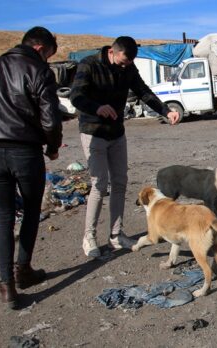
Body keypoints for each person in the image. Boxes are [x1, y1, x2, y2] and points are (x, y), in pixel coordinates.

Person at [0, 26, 62, 309]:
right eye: (50, 55)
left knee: (4, 217)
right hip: (25, 151)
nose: (49, 61)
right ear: (41, 48)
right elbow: (51, 120)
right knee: (30, 212)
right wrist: (52, 147)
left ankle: (7, 286)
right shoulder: (38, 71)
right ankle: (24, 270)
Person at [70, 36, 180, 257]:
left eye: (129, 63)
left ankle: (116, 235)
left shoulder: (128, 68)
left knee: (120, 182)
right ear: (112, 52)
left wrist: (165, 111)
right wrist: (97, 107)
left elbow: (143, 91)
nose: (125, 66)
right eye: (122, 62)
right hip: (93, 132)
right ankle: (89, 236)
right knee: (99, 184)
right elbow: (76, 96)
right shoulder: (89, 64)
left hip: (117, 133)